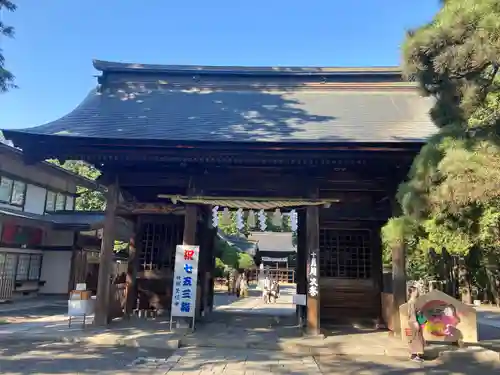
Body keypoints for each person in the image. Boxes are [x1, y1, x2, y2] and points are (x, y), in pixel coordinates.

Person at [407, 286, 425, 362]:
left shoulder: (415, 301)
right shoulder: (411, 302)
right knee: (415, 338)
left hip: (416, 320)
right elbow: (412, 313)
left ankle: (416, 354)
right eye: (416, 291)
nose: (417, 292)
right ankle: (413, 355)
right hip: (414, 321)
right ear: (413, 292)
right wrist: (415, 322)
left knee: (418, 337)